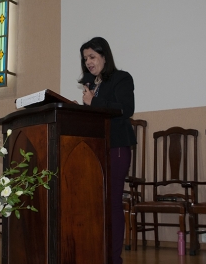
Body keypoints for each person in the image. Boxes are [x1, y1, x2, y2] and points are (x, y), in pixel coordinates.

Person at [78, 36, 137, 264]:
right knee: (96, 204)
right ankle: (98, 253)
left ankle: (113, 259)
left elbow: (126, 109)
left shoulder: (122, 78)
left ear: (104, 56)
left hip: (117, 147)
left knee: (112, 203)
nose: (88, 62)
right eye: (85, 59)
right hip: (96, 150)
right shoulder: (91, 86)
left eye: (92, 57)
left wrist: (93, 102)